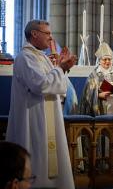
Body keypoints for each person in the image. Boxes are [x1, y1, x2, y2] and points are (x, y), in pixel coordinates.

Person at [6, 20, 76, 188]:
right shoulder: (25, 57)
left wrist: (62, 68)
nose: (51, 38)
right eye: (47, 33)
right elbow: (41, 85)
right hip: (34, 119)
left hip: (48, 118)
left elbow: (58, 86)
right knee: (37, 156)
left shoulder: (42, 57)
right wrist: (60, 68)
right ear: (34, 34)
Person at [78, 42, 113, 116]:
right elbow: (87, 94)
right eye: (105, 59)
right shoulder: (94, 76)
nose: (107, 61)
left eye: (109, 59)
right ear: (99, 60)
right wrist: (98, 95)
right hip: (100, 108)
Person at [45, 39, 78, 115]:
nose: (53, 60)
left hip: (61, 108)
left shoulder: (61, 72)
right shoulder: (44, 71)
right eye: (51, 58)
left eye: (55, 57)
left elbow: (68, 93)